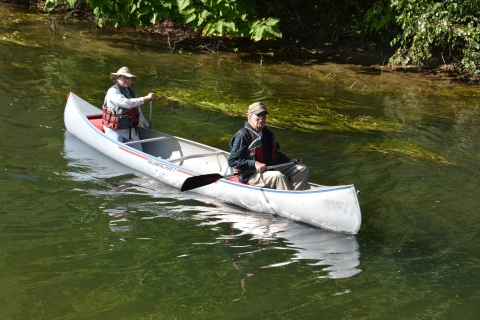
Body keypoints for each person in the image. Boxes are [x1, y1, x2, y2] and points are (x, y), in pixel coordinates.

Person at [228, 102, 309, 190]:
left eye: (264, 115)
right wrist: (255, 163)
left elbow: (275, 154)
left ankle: (294, 196)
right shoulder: (243, 135)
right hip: (250, 174)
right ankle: (285, 199)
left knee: (302, 169)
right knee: (278, 176)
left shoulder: (268, 133)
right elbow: (232, 161)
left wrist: (289, 160)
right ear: (249, 117)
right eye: (258, 115)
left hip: (269, 168)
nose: (262, 118)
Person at [102, 67, 155, 151]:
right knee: (117, 151)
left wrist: (145, 124)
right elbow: (126, 103)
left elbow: (137, 111)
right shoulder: (113, 91)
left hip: (129, 129)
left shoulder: (131, 93)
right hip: (114, 129)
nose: (128, 80)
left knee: (139, 151)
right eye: (125, 78)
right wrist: (145, 98)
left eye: (129, 79)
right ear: (118, 78)